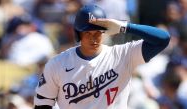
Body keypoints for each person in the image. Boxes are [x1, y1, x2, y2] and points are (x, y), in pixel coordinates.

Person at [34, 4, 170, 109]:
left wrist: (124, 26)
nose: (94, 38)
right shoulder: (57, 64)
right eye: (88, 33)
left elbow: (162, 39)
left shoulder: (122, 54)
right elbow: (42, 105)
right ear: (78, 34)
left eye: (98, 32)